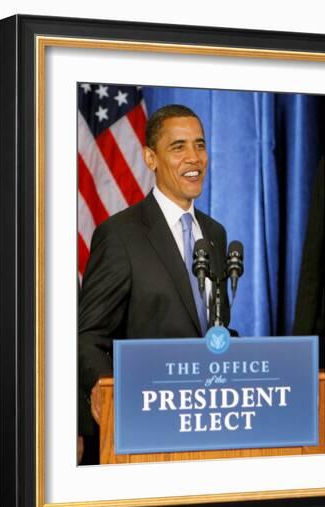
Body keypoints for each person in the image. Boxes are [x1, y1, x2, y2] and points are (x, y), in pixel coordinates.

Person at [78, 104, 231, 464]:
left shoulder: (215, 234)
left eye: (200, 144)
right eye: (178, 147)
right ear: (150, 158)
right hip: (144, 425)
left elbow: (209, 327)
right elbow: (88, 337)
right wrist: (112, 399)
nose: (194, 157)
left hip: (208, 423)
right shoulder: (120, 235)